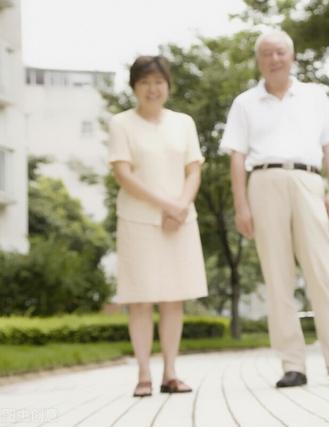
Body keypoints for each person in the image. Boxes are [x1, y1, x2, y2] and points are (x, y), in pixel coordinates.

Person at [220, 30, 329, 388]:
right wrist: (241, 206)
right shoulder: (244, 103)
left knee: (323, 271)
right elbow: (236, 157)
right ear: (258, 60)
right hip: (263, 182)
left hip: (308, 180)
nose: (274, 58)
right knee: (277, 275)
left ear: (292, 57)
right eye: (267, 53)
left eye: (280, 52)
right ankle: (292, 365)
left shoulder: (314, 96)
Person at [108, 55, 208, 397]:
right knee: (140, 299)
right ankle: (142, 375)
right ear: (135, 87)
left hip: (180, 222)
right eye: (145, 82)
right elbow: (123, 173)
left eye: (158, 82)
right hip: (139, 222)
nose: (153, 89)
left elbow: (193, 169)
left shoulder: (183, 122)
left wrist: (180, 206)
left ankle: (170, 372)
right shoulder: (121, 123)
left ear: (168, 85)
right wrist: (167, 205)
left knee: (173, 299)